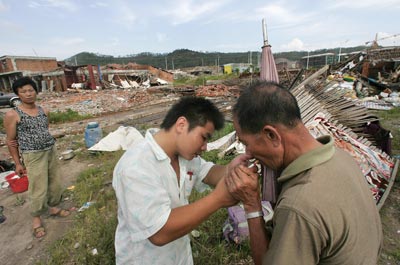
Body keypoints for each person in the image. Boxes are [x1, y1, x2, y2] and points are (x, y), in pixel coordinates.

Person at [226, 81, 383, 265]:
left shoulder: (299, 205)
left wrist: (252, 205)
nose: (248, 153)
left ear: (271, 135)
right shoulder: (341, 157)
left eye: (246, 143)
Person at [112, 96, 247, 264]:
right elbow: (159, 232)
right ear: (181, 125)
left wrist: (234, 169)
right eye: (203, 137)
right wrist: (218, 199)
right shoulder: (136, 166)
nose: (205, 147)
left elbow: (209, 172)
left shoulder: (185, 157)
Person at [4, 77, 70, 239]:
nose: (28, 94)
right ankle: (36, 219)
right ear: (17, 94)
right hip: (32, 155)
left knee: (55, 182)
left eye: (30, 90)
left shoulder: (44, 111)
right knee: (38, 187)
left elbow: (44, 130)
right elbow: (11, 141)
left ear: (36, 91)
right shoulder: (13, 114)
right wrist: (18, 163)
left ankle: (53, 207)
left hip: (50, 150)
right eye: (23, 91)